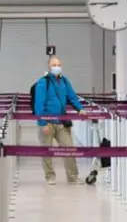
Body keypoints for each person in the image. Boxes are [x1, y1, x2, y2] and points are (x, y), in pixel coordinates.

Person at [33, 55, 86, 185]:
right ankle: (50, 176)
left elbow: (72, 97)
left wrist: (80, 109)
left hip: (62, 121)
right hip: (47, 122)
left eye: (58, 64)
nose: (57, 67)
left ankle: (73, 176)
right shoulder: (43, 82)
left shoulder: (64, 81)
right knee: (47, 152)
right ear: (49, 67)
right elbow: (38, 104)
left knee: (69, 149)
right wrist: (42, 123)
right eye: (54, 65)